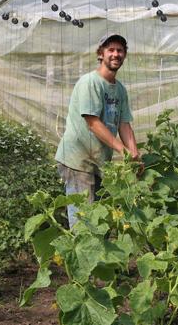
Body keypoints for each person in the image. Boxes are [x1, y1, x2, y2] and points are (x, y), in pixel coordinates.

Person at [55, 33, 139, 228]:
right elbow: (92, 122)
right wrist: (122, 150)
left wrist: (134, 153)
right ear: (101, 54)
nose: (116, 54)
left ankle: (95, 258)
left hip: (99, 162)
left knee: (98, 222)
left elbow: (124, 123)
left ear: (125, 55)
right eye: (111, 50)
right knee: (84, 223)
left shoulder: (119, 90)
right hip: (78, 160)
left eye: (120, 50)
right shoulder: (90, 82)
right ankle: (80, 256)